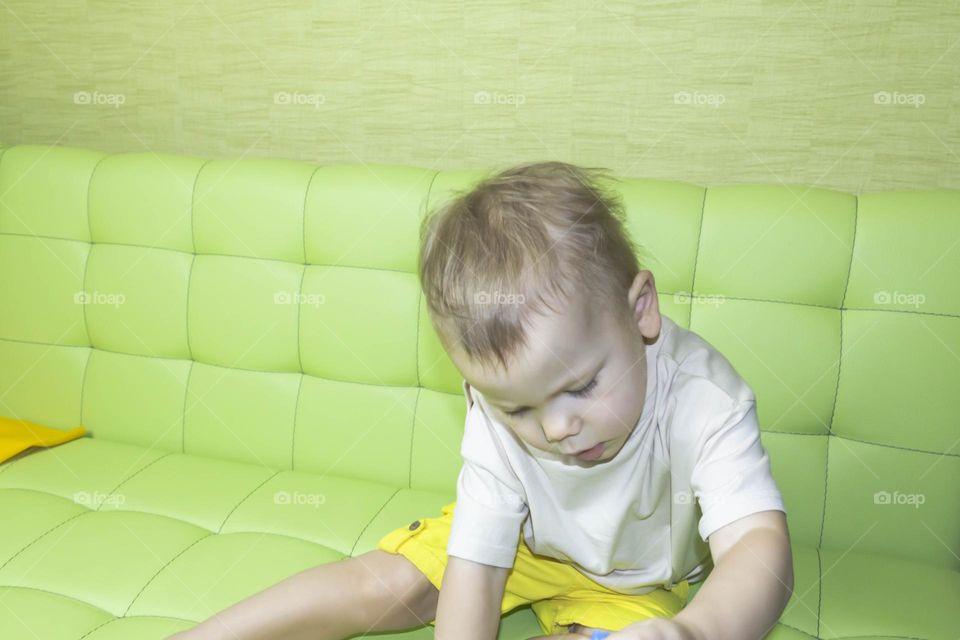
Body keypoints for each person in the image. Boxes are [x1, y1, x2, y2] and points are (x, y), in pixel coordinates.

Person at [170, 161, 793, 640]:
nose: (556, 427)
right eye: (518, 409)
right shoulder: (496, 412)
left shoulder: (704, 397)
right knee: (394, 584)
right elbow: (477, 563)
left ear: (641, 311)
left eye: (581, 387)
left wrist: (695, 630)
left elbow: (756, 549)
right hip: (524, 541)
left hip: (637, 580)